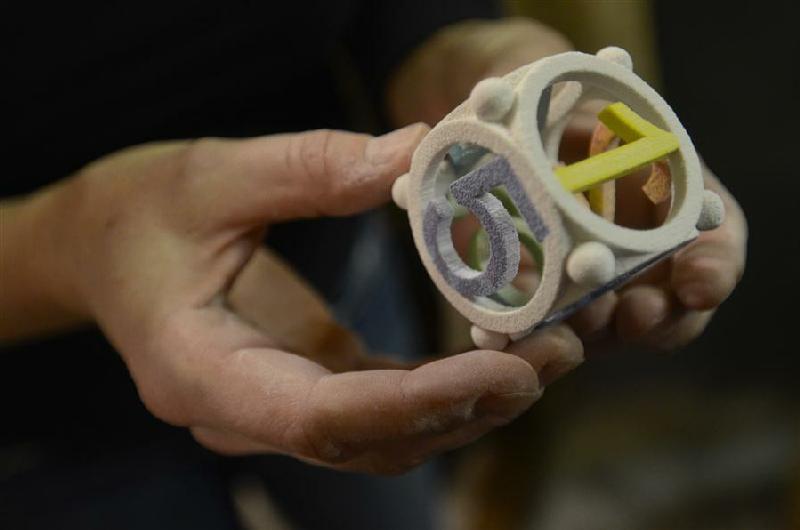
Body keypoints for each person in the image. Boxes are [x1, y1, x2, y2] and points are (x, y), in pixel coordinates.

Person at [1, 1, 747, 528]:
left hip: (336, 280)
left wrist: (453, 44)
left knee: (391, 488)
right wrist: (59, 245)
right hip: (38, 420)